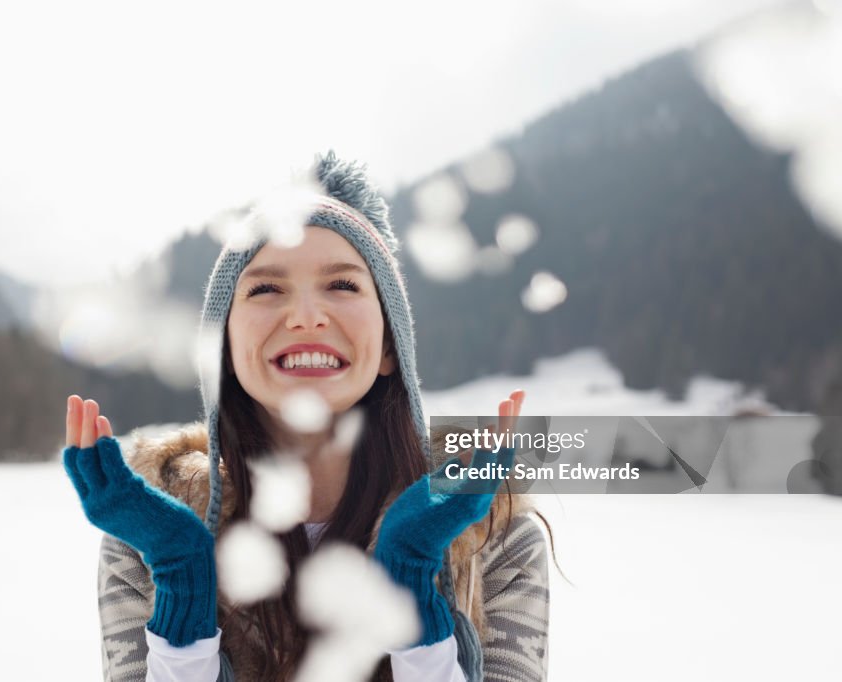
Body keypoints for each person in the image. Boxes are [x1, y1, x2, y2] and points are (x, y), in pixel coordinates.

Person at [63, 152, 550, 681]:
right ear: (224, 351)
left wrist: (413, 594)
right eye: (267, 288)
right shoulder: (144, 539)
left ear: (391, 347)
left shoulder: (491, 535)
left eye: (342, 285)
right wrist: (183, 585)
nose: (306, 316)